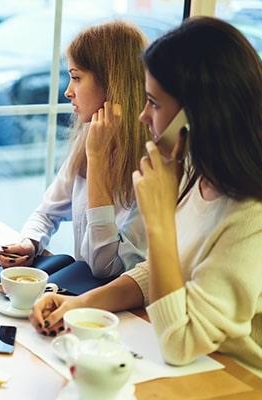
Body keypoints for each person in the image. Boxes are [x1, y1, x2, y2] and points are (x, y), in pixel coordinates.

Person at [30, 17, 262, 376]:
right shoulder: (193, 175)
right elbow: (152, 272)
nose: (142, 115)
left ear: (198, 113)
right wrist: (82, 303)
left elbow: (182, 342)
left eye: (153, 102)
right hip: (188, 367)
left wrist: (158, 223)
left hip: (231, 379)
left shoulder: (250, 215)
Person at [0, 21, 150, 278]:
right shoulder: (89, 140)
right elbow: (46, 212)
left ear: (112, 83)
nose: (68, 92)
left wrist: (98, 160)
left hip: (121, 310)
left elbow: (105, 267)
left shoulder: (151, 165)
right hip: (83, 296)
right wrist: (29, 243)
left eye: (76, 78)